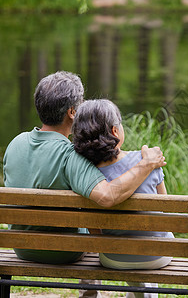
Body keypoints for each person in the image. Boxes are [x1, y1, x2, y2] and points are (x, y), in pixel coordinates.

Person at [3, 71, 166, 297]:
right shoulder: (71, 156)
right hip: (62, 252)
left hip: (21, 246)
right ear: (72, 112)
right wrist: (146, 164)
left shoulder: (15, 144)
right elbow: (108, 196)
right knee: (92, 222)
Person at [72, 99, 173, 298]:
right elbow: (167, 212)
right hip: (157, 255)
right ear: (115, 132)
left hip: (112, 257)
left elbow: (94, 231)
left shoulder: (86, 176)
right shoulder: (148, 160)